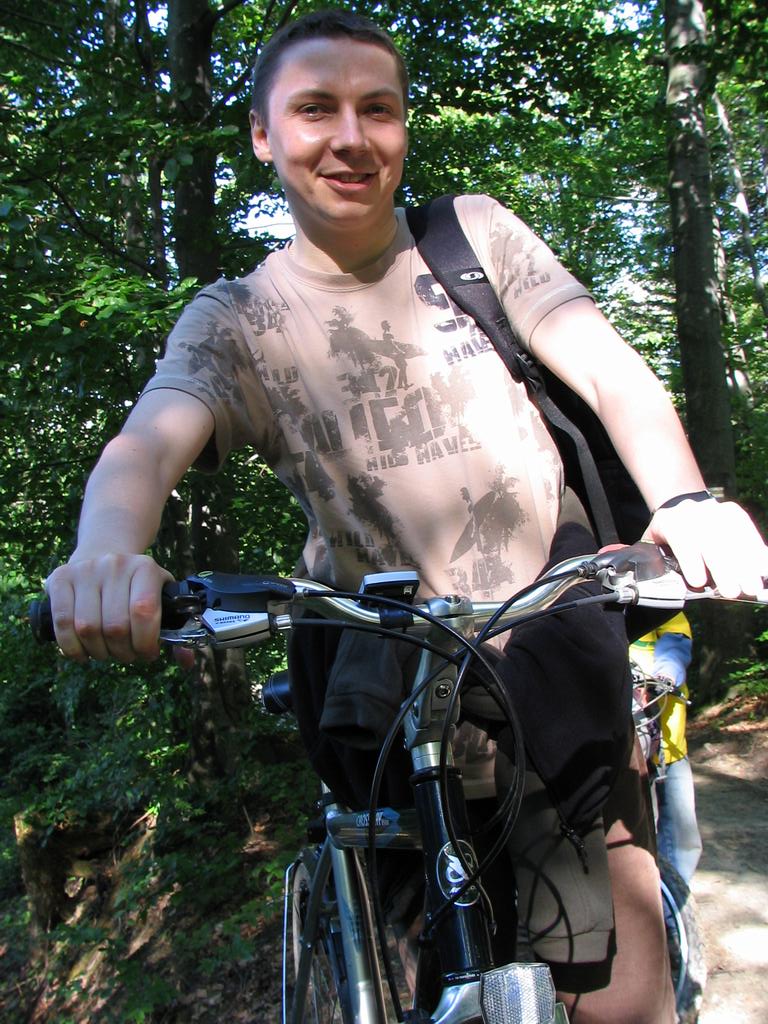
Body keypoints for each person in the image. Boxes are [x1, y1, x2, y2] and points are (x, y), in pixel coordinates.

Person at [45, 10, 768, 1022]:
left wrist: (687, 502)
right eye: (315, 109)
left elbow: (609, 368)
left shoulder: (473, 236)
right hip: (393, 713)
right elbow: (149, 443)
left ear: (403, 128)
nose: (351, 137)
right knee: (432, 988)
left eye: (376, 109)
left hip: (558, 676)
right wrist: (106, 553)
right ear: (262, 135)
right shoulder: (238, 319)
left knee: (622, 996)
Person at [631, 612, 703, 883]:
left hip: (670, 746)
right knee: (637, 836)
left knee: (682, 837)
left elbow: (676, 641)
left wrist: (665, 674)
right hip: (628, 752)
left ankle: (678, 896)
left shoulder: (659, 602)